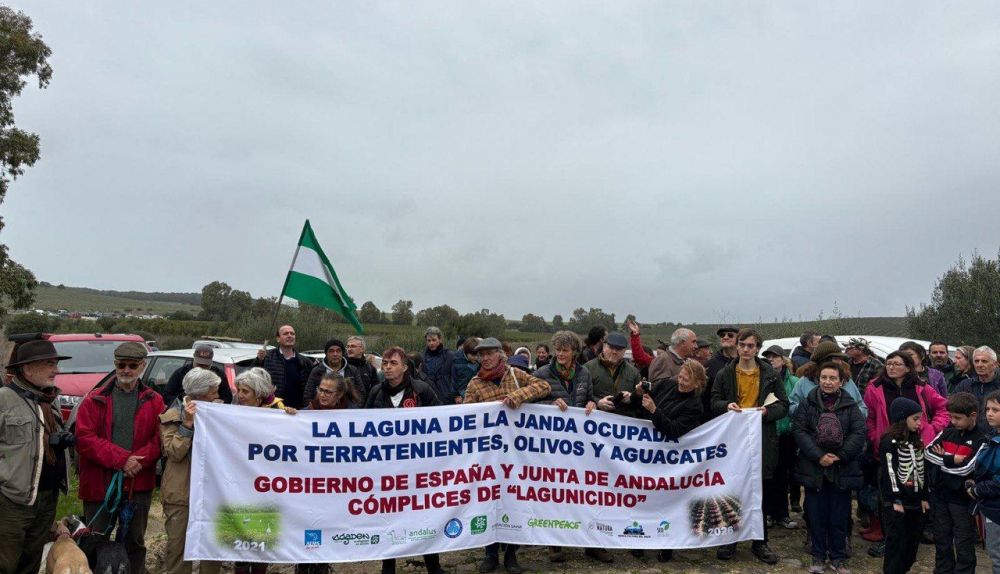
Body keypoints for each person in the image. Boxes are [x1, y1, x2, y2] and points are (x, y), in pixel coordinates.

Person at [75, 341, 164, 574]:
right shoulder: (93, 399)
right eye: (121, 364)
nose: (126, 370)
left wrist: (137, 462)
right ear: (115, 365)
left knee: (134, 543)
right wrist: (122, 459)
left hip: (138, 484)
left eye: (132, 365)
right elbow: (84, 438)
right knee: (94, 541)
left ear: (142, 366)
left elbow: (159, 439)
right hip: (100, 483)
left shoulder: (155, 400)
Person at [464, 337, 550, 574]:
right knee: (489, 501)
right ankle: (490, 554)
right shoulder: (474, 384)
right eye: (482, 355)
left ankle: (511, 554)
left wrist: (519, 396)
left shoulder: (515, 375)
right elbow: (467, 416)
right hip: (489, 456)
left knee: (514, 501)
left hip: (516, 454)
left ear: (500, 355)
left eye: (490, 353)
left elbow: (544, 386)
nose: (485, 358)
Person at [710, 328, 788, 564]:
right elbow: (713, 401)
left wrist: (767, 412)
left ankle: (760, 542)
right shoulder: (725, 374)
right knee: (732, 488)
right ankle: (730, 539)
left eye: (750, 346)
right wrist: (726, 406)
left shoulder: (770, 374)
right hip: (733, 440)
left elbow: (784, 404)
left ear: (757, 348)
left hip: (762, 437)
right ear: (737, 346)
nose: (745, 349)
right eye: (742, 345)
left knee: (759, 491)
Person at [365, 347, 445, 574]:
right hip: (387, 470)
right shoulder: (375, 393)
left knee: (424, 517)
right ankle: (388, 566)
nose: (388, 367)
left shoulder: (422, 391)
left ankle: (433, 566)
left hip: (418, 469)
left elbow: (442, 422)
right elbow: (362, 427)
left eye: (393, 363)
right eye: (385, 363)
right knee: (389, 518)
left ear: (405, 367)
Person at [531, 331, 606, 564]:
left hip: (580, 445)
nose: (561, 353)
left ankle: (590, 543)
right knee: (555, 493)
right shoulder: (542, 373)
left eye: (566, 349)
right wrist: (549, 404)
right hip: (552, 444)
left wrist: (593, 403)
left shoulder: (584, 373)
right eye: (558, 349)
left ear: (574, 351)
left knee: (584, 493)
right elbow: (529, 403)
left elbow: (589, 398)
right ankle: (555, 543)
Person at [0, 340, 73, 574]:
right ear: (28, 369)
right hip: (11, 502)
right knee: (5, 564)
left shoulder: (49, 400)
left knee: (30, 563)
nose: (57, 370)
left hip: (46, 499)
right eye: (50, 364)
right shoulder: (4, 400)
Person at [628, 359, 706, 563]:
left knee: (665, 501)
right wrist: (639, 393)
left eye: (686, 380)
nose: (681, 382)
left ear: (697, 383)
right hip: (647, 454)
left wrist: (654, 411)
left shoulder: (694, 406)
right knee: (642, 497)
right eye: (680, 376)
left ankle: (666, 544)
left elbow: (674, 430)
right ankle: (638, 540)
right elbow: (641, 403)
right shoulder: (668, 385)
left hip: (669, 460)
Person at [792, 362, 866, 574]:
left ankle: (839, 557)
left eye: (832, 378)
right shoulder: (808, 404)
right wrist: (819, 455)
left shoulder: (851, 406)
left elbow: (858, 433)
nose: (827, 382)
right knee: (815, 514)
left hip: (842, 468)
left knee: (840, 515)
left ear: (841, 381)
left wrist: (840, 456)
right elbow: (799, 431)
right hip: (814, 468)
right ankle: (817, 555)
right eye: (824, 377)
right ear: (818, 379)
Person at [159, 369, 224, 574]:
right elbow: (173, 452)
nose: (217, 396)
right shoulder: (172, 415)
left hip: (212, 493)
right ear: (198, 395)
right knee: (178, 548)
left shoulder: (219, 413)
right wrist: (187, 424)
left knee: (211, 549)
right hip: (180, 494)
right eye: (213, 392)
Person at [924, 392, 986, 574]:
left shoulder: (981, 439)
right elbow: (928, 453)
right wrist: (953, 459)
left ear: (973, 415)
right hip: (941, 495)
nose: (953, 421)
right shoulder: (948, 431)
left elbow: (966, 469)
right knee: (942, 539)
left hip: (962, 500)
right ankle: (943, 570)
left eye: (957, 418)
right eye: (951, 417)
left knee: (963, 541)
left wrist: (943, 457)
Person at [879, 398, 929, 574]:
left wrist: (924, 496)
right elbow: (890, 471)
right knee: (896, 546)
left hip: (916, 501)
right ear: (902, 418)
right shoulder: (889, 442)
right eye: (915, 419)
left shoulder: (916, 440)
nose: (919, 423)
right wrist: (895, 498)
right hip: (898, 501)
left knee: (912, 545)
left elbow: (922, 470)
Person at [761, 345, 799, 530]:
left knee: (783, 475)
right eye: (768, 357)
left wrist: (791, 426)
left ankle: (782, 514)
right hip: (767, 433)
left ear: (783, 359)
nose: (771, 360)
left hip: (786, 434)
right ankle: (767, 513)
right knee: (767, 476)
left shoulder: (794, 381)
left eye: (774, 357)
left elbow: (797, 406)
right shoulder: (763, 379)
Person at [789, 341, 868, 419]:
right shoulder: (804, 382)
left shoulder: (847, 381)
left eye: (841, 359)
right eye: (836, 358)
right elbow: (791, 409)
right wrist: (812, 411)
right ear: (824, 360)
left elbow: (863, 410)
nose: (840, 362)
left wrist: (848, 413)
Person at [968, 390, 1000, 574]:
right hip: (992, 506)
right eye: (987, 409)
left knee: (998, 558)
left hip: (996, 508)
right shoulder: (993, 437)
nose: (989, 413)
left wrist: (978, 490)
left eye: (995, 409)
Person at [255, 325, 316, 409]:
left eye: (292, 333)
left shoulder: (305, 361)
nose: (290, 336)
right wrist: (259, 360)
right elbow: (254, 378)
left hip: (299, 412)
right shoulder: (267, 357)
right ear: (278, 339)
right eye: (286, 333)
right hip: (273, 410)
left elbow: (311, 387)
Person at [587, 331, 642, 419]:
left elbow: (641, 403)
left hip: (623, 423)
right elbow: (580, 394)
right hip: (596, 421)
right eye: (611, 347)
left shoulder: (634, 372)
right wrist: (598, 402)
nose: (614, 352)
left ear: (624, 351)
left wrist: (632, 397)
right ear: (604, 346)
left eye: (619, 349)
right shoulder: (588, 368)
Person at [163, 344, 232, 406]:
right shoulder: (180, 373)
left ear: (211, 362)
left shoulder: (218, 374)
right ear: (194, 358)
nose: (202, 367)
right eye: (199, 364)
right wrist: (184, 401)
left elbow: (228, 397)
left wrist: (222, 402)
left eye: (205, 365)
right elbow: (167, 396)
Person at [954, 346, 1000, 435]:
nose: (979, 365)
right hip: (968, 435)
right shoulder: (965, 385)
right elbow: (952, 408)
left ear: (994, 364)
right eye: (976, 361)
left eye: (984, 361)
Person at [303, 338, 361, 405]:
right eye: (331, 351)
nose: (335, 354)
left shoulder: (353, 370)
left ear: (343, 353)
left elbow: (360, 393)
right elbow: (307, 396)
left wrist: (353, 410)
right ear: (326, 354)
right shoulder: (316, 371)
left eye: (338, 351)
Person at [704, 325, 739, 412]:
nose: (725, 337)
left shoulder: (746, 362)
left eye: (730, 335)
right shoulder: (709, 365)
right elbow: (704, 396)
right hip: (718, 416)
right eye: (722, 335)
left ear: (739, 340)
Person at [421, 326, 454, 404]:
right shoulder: (422, 357)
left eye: (434, 340)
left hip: (446, 398)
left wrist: (455, 395)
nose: (431, 343)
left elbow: (455, 377)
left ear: (440, 340)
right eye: (429, 340)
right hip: (428, 398)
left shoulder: (450, 355)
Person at [345, 335, 379, 399]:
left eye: (353, 346)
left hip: (364, 406)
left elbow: (375, 389)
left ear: (362, 349)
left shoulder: (369, 368)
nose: (349, 349)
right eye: (348, 346)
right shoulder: (342, 365)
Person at [452, 337, 480, 402]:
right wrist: (456, 395)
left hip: (477, 393)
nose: (476, 358)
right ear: (466, 352)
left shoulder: (480, 361)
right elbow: (453, 380)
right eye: (473, 355)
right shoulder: (456, 361)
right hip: (462, 395)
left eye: (477, 355)